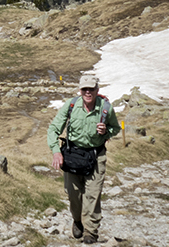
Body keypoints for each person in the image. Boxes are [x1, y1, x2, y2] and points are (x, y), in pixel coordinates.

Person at [47, 73, 121, 244]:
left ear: (97, 90)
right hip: (73, 155)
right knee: (73, 194)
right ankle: (78, 220)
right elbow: (53, 129)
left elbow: (115, 128)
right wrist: (56, 151)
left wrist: (106, 132)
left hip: (96, 156)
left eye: (91, 89)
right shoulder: (71, 105)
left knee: (92, 195)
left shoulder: (106, 108)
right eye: (84, 89)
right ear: (80, 90)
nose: (88, 92)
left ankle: (91, 232)